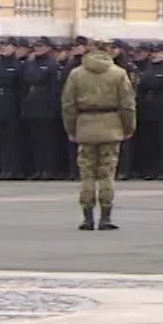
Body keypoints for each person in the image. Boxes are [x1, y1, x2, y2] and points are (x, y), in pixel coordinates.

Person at [61, 38, 137, 232]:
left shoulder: (76, 74)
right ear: (109, 51)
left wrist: (71, 129)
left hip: (85, 125)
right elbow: (127, 105)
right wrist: (128, 128)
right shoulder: (119, 74)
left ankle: (87, 217)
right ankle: (105, 216)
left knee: (86, 173)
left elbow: (68, 105)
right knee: (107, 173)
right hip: (111, 125)